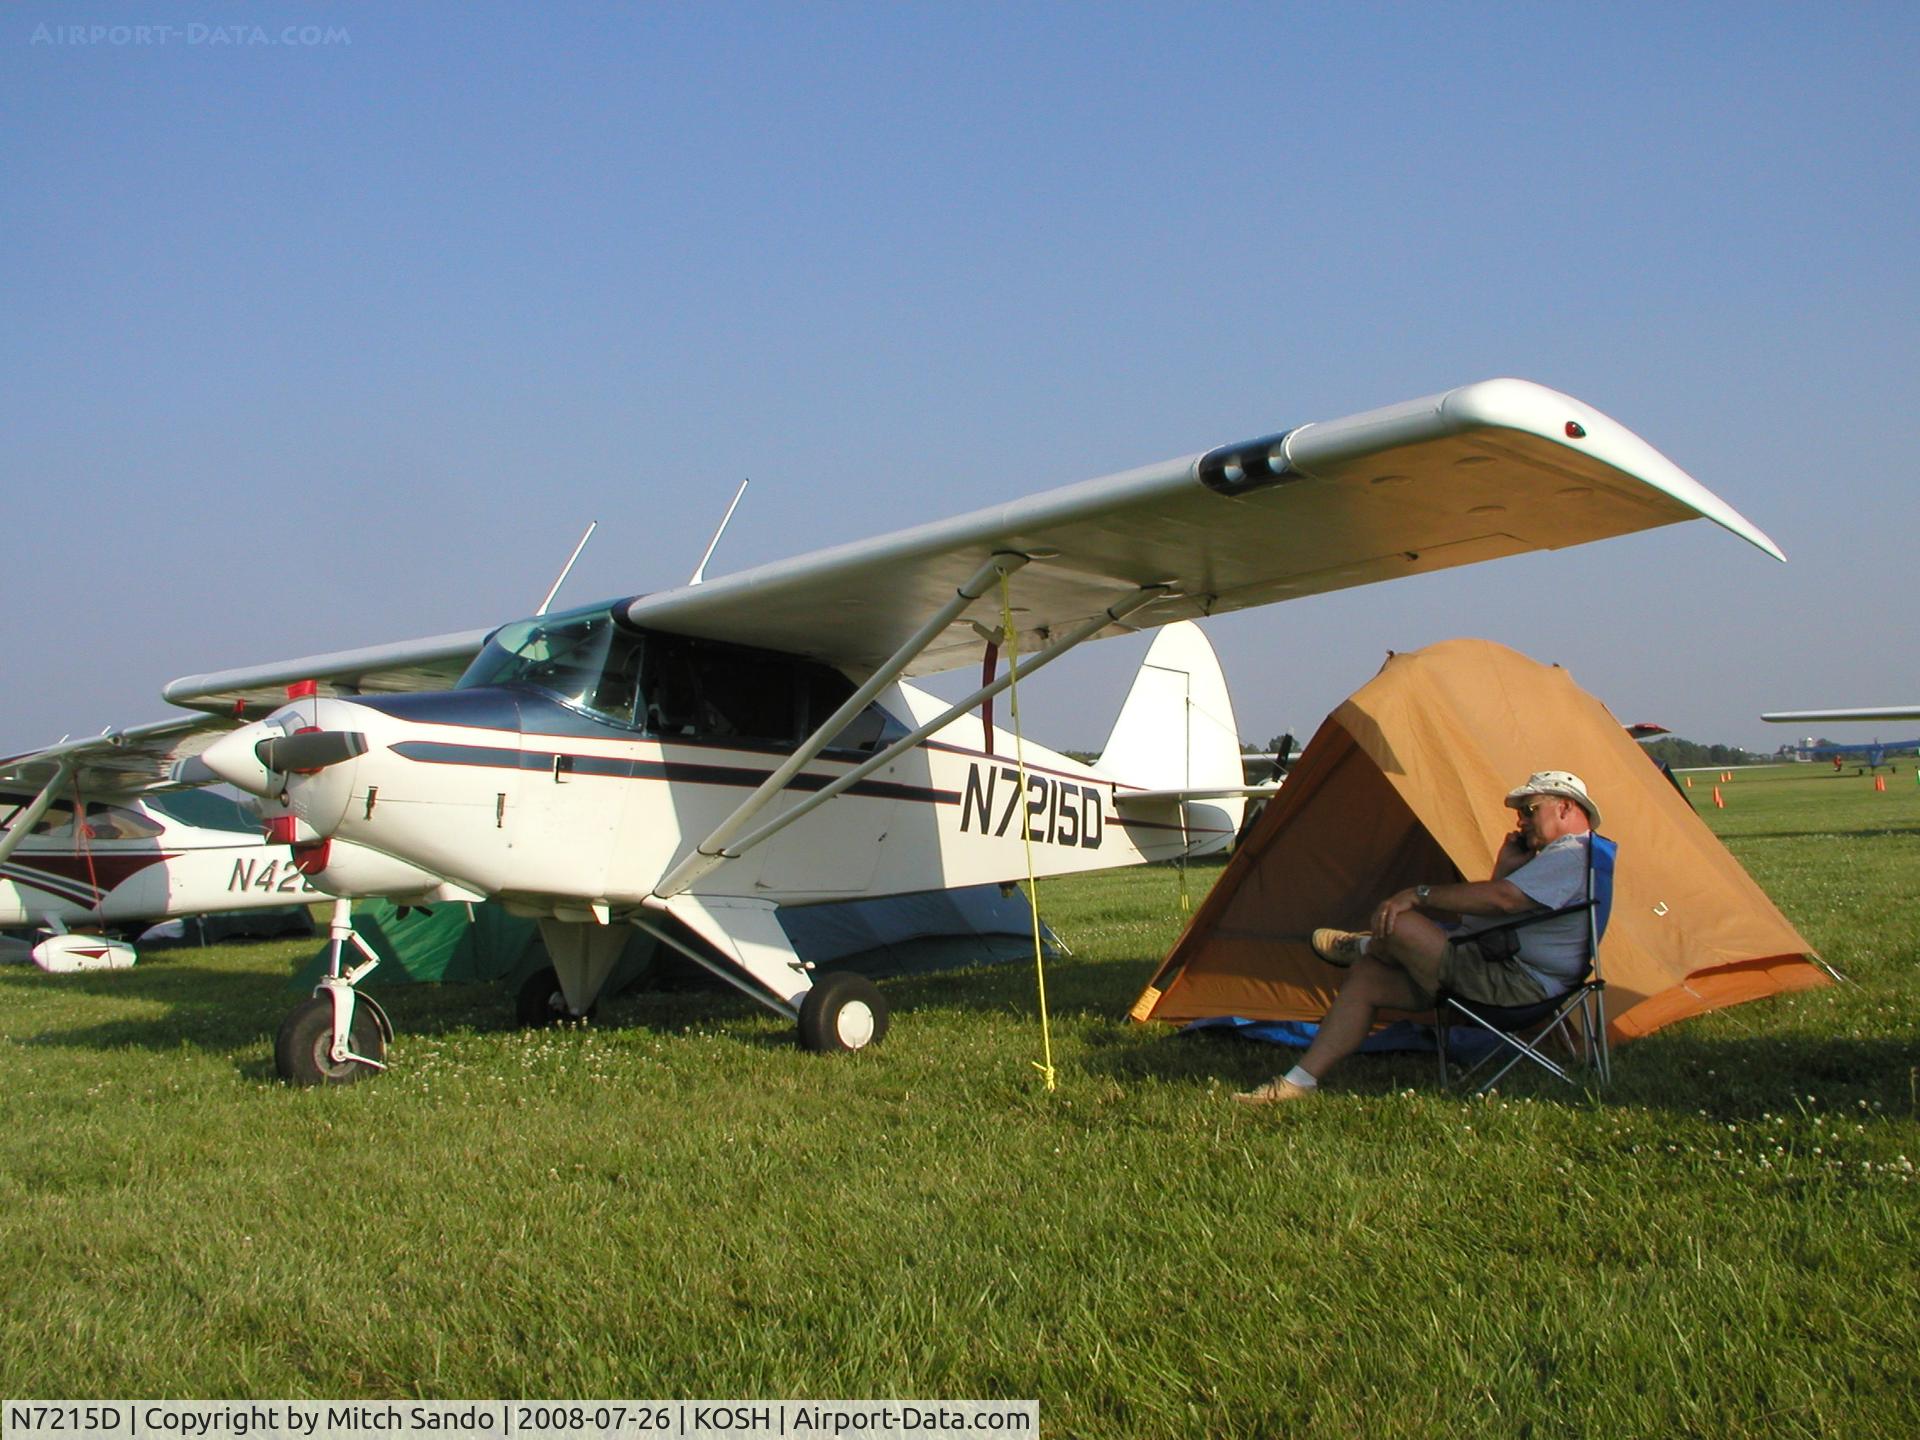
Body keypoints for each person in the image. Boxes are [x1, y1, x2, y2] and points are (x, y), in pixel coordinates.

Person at [1234, 770, 1602, 1105]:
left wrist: (1419, 893)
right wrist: (1504, 870)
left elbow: (1503, 901)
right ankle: (1298, 1082)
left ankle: (1364, 945)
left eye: (1529, 809)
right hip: (1500, 974)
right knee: (1367, 979)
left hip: (1516, 987)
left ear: (1565, 807)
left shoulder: (1571, 853)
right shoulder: (1560, 858)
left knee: (1399, 921)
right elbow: (1484, 919)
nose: (1521, 822)